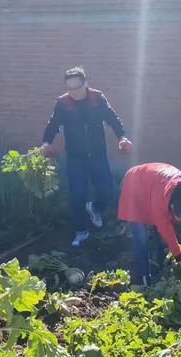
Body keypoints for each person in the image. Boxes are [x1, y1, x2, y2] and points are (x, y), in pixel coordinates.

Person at [41, 66, 132, 247]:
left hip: (98, 155)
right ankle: (81, 231)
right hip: (75, 158)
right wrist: (46, 142)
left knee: (106, 190)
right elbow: (53, 125)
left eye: (76, 88)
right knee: (77, 195)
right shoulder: (63, 103)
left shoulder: (97, 98)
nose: (72, 92)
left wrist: (122, 137)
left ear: (85, 83)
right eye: (69, 88)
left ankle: (95, 208)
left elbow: (113, 119)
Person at [118, 162, 181, 285]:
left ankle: (161, 264)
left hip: (153, 183)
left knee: (160, 235)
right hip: (134, 185)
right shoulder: (161, 200)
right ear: (173, 209)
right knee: (141, 238)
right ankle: (143, 278)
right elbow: (168, 233)